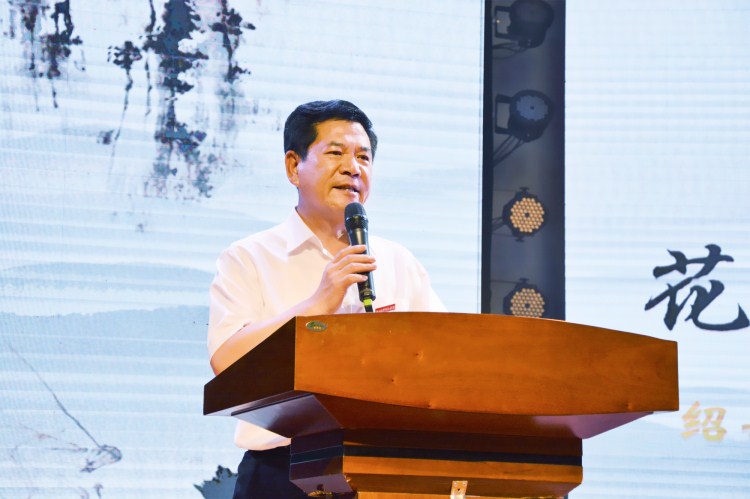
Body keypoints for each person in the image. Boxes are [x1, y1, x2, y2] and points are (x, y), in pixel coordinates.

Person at [207, 100, 445, 498]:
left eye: (363, 157)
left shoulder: (397, 261)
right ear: (293, 167)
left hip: (384, 471)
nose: (353, 167)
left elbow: (443, 360)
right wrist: (317, 304)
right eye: (336, 153)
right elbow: (226, 363)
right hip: (280, 474)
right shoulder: (249, 257)